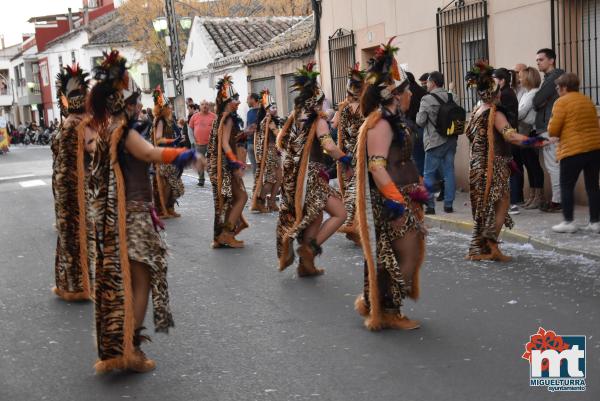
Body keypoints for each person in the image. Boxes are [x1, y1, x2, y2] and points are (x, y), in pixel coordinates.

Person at [86, 50, 195, 373]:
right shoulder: (124, 133)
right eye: (133, 99)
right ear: (124, 103)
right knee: (141, 282)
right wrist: (186, 155)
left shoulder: (108, 132)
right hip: (133, 218)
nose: (137, 105)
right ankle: (129, 349)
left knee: (131, 282)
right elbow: (150, 153)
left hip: (123, 218)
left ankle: (121, 345)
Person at [353, 39, 427, 331]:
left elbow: (402, 158)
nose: (410, 95)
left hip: (406, 194)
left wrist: (418, 184)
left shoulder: (394, 119)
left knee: (403, 253)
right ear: (395, 94)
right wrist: (397, 202)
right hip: (393, 199)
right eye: (406, 90)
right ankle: (389, 312)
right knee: (403, 256)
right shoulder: (381, 123)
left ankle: (377, 303)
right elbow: (377, 166)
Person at [464, 60, 546, 262]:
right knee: (501, 203)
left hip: (476, 165)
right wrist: (535, 141)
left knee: (485, 207)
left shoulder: (476, 112)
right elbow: (510, 136)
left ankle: (481, 248)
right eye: (498, 91)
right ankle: (490, 247)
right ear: (495, 94)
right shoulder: (495, 113)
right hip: (494, 165)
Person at [276, 62, 348, 277]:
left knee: (314, 218)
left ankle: (306, 265)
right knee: (341, 213)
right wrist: (347, 159)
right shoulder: (317, 120)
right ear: (316, 102)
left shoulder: (295, 117)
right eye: (322, 102)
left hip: (298, 177)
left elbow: (281, 143)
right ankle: (308, 251)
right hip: (313, 177)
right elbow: (328, 146)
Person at [51, 64, 93, 301]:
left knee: (72, 235)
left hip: (70, 188)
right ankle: (77, 284)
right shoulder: (78, 122)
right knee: (76, 234)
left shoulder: (74, 123)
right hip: (72, 188)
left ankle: (74, 285)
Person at [548, 73, 600, 234]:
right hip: (594, 148)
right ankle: (595, 222)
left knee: (566, 186)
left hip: (573, 150)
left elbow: (553, 129)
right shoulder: (587, 100)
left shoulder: (561, 102)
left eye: (557, 87)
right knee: (593, 187)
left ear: (564, 87)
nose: (557, 90)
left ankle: (568, 222)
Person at [207, 75, 249, 248]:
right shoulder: (229, 118)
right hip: (224, 166)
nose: (238, 102)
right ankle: (226, 234)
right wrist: (236, 163)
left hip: (218, 165)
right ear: (228, 101)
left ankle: (220, 236)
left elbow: (226, 140)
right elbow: (225, 144)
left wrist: (244, 133)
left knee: (225, 201)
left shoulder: (220, 117)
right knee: (241, 197)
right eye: (235, 99)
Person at [416, 70, 457, 214]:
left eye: (427, 82)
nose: (426, 84)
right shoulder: (453, 96)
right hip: (451, 140)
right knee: (449, 172)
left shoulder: (426, 100)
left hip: (434, 141)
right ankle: (449, 205)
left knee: (428, 174)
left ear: (432, 83)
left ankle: (430, 207)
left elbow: (420, 122)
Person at [335, 63, 365, 245]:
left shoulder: (347, 109)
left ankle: (353, 229)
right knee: (356, 191)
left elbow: (340, 131)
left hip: (353, 153)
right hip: (356, 155)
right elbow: (342, 133)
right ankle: (349, 224)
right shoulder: (352, 109)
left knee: (356, 191)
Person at [534, 48, 565, 213]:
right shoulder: (549, 78)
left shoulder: (554, 78)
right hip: (547, 126)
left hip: (549, 127)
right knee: (554, 165)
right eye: (537, 60)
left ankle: (558, 201)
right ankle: (559, 199)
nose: (538, 62)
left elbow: (536, 100)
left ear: (551, 60)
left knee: (553, 165)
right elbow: (538, 102)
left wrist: (541, 101)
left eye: (541, 59)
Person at [151, 86, 185, 218]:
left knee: (172, 184)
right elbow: (158, 139)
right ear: (162, 108)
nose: (170, 107)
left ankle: (169, 207)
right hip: (162, 155)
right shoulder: (159, 121)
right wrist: (174, 140)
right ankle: (162, 209)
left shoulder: (168, 120)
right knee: (165, 184)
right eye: (168, 106)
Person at [493, 67, 523, 214]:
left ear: (502, 80)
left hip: (508, 136)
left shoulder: (504, 94)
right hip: (509, 134)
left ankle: (514, 202)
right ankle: (515, 200)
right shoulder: (507, 92)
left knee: (511, 170)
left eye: (494, 80)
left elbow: (504, 119)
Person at [250, 89, 283, 213]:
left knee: (279, 178)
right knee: (270, 179)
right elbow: (277, 134)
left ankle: (272, 201)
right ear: (266, 109)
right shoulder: (268, 120)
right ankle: (260, 201)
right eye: (272, 107)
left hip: (276, 152)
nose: (275, 109)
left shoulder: (273, 119)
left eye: (275, 107)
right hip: (269, 153)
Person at [517, 66, 545, 210]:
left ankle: (538, 196)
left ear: (528, 78)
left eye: (522, 77)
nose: (519, 79)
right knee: (528, 164)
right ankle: (533, 195)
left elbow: (521, 113)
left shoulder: (533, 94)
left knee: (533, 165)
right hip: (524, 131)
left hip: (530, 132)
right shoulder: (526, 93)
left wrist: (509, 114)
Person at [406, 71, 428, 176]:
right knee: (425, 157)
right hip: (424, 128)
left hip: (412, 128)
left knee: (416, 158)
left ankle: (421, 183)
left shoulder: (407, 93)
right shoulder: (422, 91)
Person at [189, 100, 216, 186]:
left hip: (211, 143)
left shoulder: (214, 116)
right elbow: (190, 129)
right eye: (202, 104)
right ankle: (201, 179)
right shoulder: (194, 116)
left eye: (206, 104)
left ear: (209, 106)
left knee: (211, 162)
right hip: (198, 143)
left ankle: (213, 178)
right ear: (199, 106)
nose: (204, 106)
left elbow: (218, 129)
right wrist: (193, 141)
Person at [245, 93, 260, 174]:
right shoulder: (249, 112)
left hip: (259, 144)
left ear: (253, 100)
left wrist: (253, 129)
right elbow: (248, 126)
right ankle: (256, 186)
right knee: (254, 169)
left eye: (248, 99)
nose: (246, 101)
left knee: (261, 168)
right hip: (250, 144)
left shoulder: (262, 112)